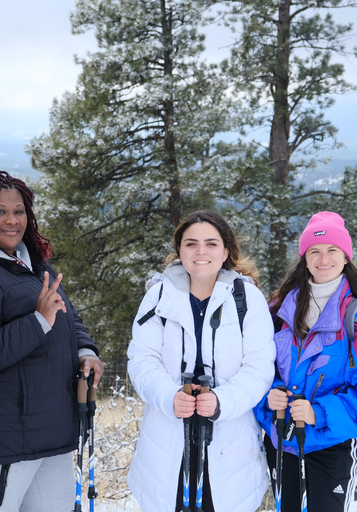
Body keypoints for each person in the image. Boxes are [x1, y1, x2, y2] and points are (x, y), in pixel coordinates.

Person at [0, 171, 104, 512]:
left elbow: (66, 315)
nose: (12, 220)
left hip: (50, 430)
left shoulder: (34, 263)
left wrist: (85, 351)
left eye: (19, 211)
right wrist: (37, 321)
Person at [127, 210, 276, 512]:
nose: (201, 252)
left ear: (226, 251)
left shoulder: (246, 299)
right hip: (167, 440)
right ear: (179, 250)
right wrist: (168, 397)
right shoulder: (158, 296)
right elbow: (142, 360)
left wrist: (223, 401)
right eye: (191, 243)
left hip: (229, 442)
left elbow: (260, 366)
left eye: (211, 243)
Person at [253, 211, 357, 512]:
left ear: (346, 258)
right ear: (304, 258)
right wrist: (269, 396)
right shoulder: (276, 312)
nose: (323, 258)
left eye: (332, 250)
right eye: (314, 250)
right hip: (283, 439)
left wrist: (319, 413)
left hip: (333, 444)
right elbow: (256, 367)